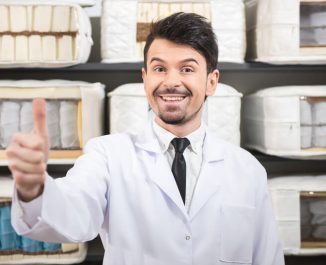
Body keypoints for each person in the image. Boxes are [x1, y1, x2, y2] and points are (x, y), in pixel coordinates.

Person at [6, 12, 285, 265]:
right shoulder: (107, 155)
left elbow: (267, 257)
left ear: (211, 81)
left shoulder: (247, 170)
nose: (171, 81)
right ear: (145, 78)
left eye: (187, 69)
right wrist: (34, 189)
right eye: (159, 68)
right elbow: (74, 216)